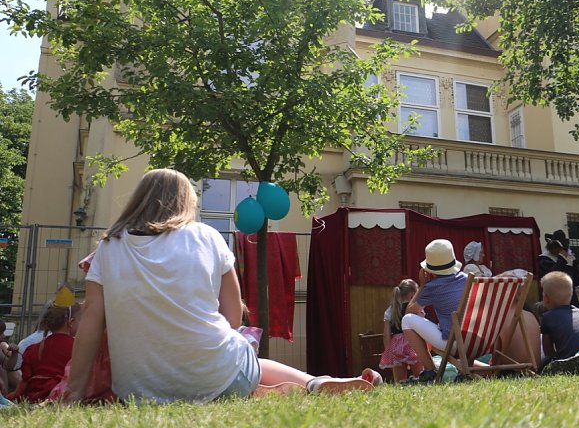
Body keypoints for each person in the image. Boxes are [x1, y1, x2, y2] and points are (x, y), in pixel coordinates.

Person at [65, 168, 376, 404]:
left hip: (139, 388)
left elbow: (91, 319)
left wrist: (75, 390)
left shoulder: (108, 248)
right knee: (245, 355)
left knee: (238, 365)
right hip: (220, 375)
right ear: (187, 203)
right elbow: (233, 320)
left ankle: (285, 387)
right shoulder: (207, 237)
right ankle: (311, 383)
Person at [401, 239, 468, 383]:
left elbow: (409, 312)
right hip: (475, 340)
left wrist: (423, 285)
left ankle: (430, 370)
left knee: (406, 321)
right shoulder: (467, 280)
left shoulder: (432, 287)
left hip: (453, 342)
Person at [7, 287, 83, 403]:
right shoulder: (77, 347)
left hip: (35, 396)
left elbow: (25, 381)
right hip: (60, 397)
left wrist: (15, 395)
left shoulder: (34, 349)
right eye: (80, 321)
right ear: (71, 322)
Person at [538, 272, 579, 372]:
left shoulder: (547, 317)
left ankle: (573, 363)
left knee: (545, 364)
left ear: (546, 298)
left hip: (569, 358)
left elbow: (548, 351)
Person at [379, 279, 423, 382]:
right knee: (420, 377)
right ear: (412, 295)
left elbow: (386, 335)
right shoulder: (415, 309)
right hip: (413, 343)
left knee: (400, 381)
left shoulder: (390, 310)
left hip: (396, 345)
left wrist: (388, 351)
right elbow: (422, 329)